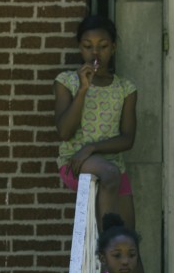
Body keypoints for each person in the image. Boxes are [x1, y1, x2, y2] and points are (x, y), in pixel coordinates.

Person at [54, 14, 138, 230]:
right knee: (108, 174)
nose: (95, 53)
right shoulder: (67, 82)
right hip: (75, 161)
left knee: (129, 240)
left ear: (113, 48)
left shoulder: (125, 88)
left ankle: (113, 251)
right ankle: (106, 247)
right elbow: (64, 132)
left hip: (112, 164)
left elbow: (128, 139)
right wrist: (83, 90)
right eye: (87, 46)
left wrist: (92, 148)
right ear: (79, 48)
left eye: (103, 46)